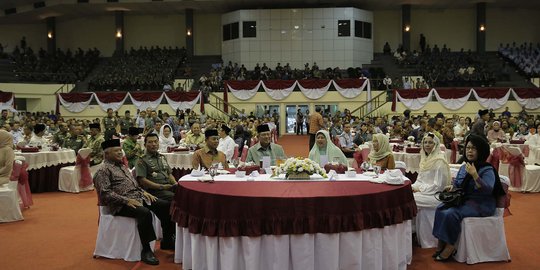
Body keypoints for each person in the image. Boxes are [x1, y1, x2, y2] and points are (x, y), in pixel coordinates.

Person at [93, 139, 175, 265]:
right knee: (145, 213)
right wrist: (126, 200)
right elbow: (105, 194)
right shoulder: (103, 171)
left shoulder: (122, 166)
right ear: (107, 154)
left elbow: (133, 185)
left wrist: (143, 192)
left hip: (137, 197)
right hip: (119, 204)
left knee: (166, 205)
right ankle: (146, 250)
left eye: (120, 150)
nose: (121, 153)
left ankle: (168, 239)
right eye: (116, 151)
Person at [432, 134, 505, 261]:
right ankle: (441, 242)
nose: (470, 151)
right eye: (468, 148)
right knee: (440, 208)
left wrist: (475, 175)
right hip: (464, 200)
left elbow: (488, 190)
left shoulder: (487, 169)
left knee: (451, 213)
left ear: (481, 150)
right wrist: (452, 187)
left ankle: (450, 245)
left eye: (474, 148)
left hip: (481, 204)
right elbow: (458, 184)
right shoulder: (465, 166)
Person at [411, 133, 450, 207]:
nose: (427, 145)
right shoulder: (425, 160)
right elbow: (420, 180)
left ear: (436, 145)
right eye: (425, 142)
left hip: (435, 194)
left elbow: (439, 186)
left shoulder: (440, 161)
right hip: (425, 191)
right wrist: (413, 187)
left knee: (410, 199)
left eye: (430, 142)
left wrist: (420, 189)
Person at [136, 134, 177, 201]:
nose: (154, 144)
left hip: (168, 186)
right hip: (154, 190)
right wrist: (161, 187)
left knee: (184, 193)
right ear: (145, 145)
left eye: (156, 141)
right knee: (176, 197)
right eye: (150, 142)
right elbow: (142, 180)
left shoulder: (162, 157)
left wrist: (175, 183)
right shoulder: (142, 160)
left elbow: (169, 173)